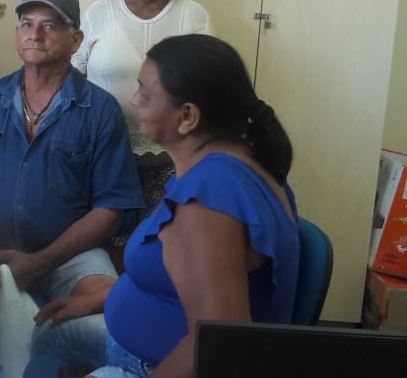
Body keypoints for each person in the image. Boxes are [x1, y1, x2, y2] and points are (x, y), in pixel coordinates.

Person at [30, 34, 299, 378]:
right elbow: (179, 278)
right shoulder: (239, 162)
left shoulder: (205, 204)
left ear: (187, 116)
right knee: (42, 337)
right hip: (137, 346)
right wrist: (97, 299)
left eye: (144, 91)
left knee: (38, 343)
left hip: (150, 368)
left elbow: (218, 346)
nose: (133, 99)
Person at [0, 0, 142, 374]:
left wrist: (39, 262)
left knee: (112, 316)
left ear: (75, 40)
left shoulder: (100, 110)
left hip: (67, 257)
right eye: (26, 24)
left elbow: (111, 207)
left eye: (49, 26)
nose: (34, 34)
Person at [72, 0, 211, 246]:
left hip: (170, 157)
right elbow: (73, 81)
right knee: (99, 243)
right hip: (101, 153)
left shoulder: (192, 16)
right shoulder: (99, 12)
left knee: (154, 246)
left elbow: (207, 86)